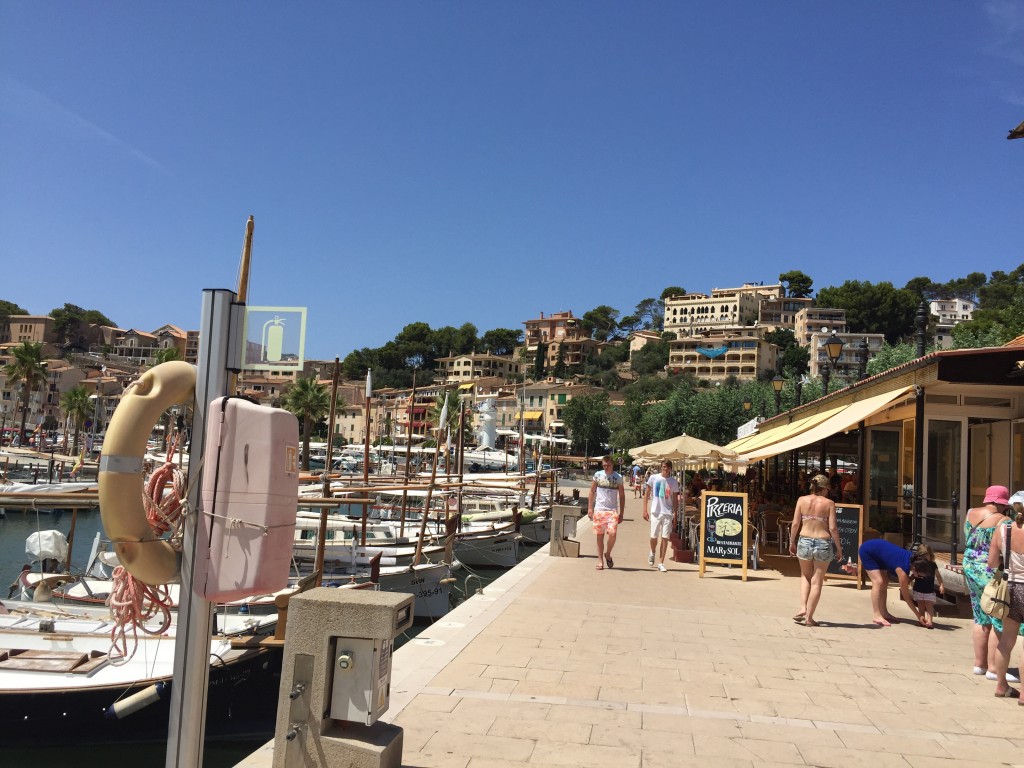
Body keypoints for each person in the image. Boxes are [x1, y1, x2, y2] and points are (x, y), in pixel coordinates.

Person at [962, 485, 1019, 683]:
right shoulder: (1004, 521)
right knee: (997, 614)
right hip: (990, 569)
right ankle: (994, 668)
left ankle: (980, 664)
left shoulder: (970, 513)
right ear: (1002, 503)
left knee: (979, 614)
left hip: (969, 564)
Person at [789, 474, 843, 626]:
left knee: (805, 576)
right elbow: (833, 528)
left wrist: (792, 541)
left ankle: (803, 607)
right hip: (822, 542)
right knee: (817, 581)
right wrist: (839, 548)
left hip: (804, 540)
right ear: (825, 488)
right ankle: (809, 618)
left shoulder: (801, 500)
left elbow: (795, 524)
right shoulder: (829, 503)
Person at [988, 501, 1024, 699]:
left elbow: (992, 562)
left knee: (1006, 640)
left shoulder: (1004, 529)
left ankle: (1001, 686)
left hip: (1009, 588)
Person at [853, 538, 924, 627]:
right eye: (921, 576)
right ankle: (876, 615)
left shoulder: (914, 560)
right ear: (914, 569)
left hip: (879, 553)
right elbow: (906, 597)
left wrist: (914, 576)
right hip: (868, 551)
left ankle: (884, 612)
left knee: (884, 582)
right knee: (878, 581)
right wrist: (919, 616)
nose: (921, 578)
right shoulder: (902, 571)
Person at [588, 455, 625, 570]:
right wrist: (590, 508)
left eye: (608, 465)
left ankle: (607, 553)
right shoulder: (598, 475)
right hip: (599, 510)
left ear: (612, 464)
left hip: (612, 510)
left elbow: (622, 496)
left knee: (612, 534)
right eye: (604, 465)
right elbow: (592, 491)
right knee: (600, 536)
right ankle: (600, 561)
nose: (606, 467)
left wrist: (622, 513)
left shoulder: (618, 477)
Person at [643, 459, 680, 572]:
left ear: (670, 469)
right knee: (654, 536)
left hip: (667, 512)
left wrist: (675, 513)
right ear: (661, 467)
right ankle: (652, 551)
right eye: (664, 466)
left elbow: (675, 499)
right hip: (655, 511)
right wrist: (644, 510)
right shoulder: (654, 478)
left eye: (668, 467)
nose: (665, 468)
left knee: (665, 537)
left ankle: (661, 562)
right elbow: (647, 494)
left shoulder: (673, 482)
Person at [908, 544, 943, 628]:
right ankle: (922, 620)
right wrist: (908, 581)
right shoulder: (918, 564)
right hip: (918, 588)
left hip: (929, 589)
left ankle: (930, 621)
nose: (924, 558)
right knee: (920, 605)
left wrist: (941, 585)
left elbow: (938, 575)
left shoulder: (932, 565)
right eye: (922, 556)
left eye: (926, 555)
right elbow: (913, 575)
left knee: (929, 606)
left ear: (930, 554)